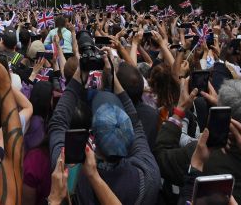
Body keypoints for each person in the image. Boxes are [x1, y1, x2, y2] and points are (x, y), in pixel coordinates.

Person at [48, 51, 160, 205]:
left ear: (92, 138)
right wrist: (115, 81)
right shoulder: (147, 176)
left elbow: (58, 124)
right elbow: (137, 126)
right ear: (131, 137)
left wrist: (77, 78)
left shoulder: (69, 176)